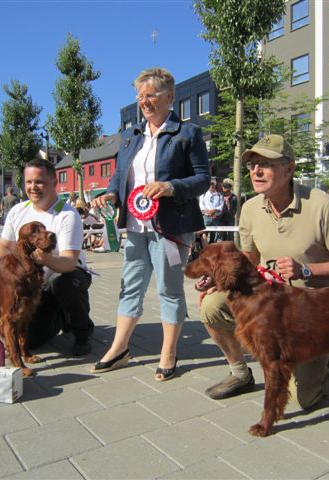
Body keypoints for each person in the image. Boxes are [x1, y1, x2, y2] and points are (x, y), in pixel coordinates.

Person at [199, 134, 329, 403]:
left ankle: (319, 357)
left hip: (310, 313)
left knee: (305, 401)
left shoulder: (320, 204)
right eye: (251, 165)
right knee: (211, 305)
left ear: (289, 169)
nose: (256, 171)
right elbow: (248, 257)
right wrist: (219, 277)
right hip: (268, 303)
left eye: (266, 164)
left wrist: (306, 270)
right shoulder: (249, 208)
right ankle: (240, 372)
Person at [91, 67, 210, 381]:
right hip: (134, 227)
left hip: (170, 227)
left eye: (151, 95)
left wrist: (171, 188)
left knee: (169, 290)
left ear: (169, 97)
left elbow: (202, 180)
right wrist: (111, 195)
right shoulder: (130, 136)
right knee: (130, 286)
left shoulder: (188, 133)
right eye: (140, 96)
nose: (144, 101)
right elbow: (120, 177)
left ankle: (168, 352)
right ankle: (119, 348)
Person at [0, 159, 94, 356]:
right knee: (29, 343)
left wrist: (45, 260)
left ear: (54, 182)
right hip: (32, 284)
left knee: (66, 282)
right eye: (28, 182)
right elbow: (4, 245)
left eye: (39, 182)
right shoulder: (17, 211)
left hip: (64, 275)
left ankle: (82, 332)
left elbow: (69, 262)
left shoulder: (67, 215)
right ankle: (61, 316)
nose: (33, 187)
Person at [199, 179, 223, 244]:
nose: (212, 185)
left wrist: (214, 210)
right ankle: (205, 248)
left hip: (215, 217)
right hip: (206, 216)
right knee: (204, 233)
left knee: (213, 234)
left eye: (213, 184)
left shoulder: (219, 195)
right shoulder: (203, 194)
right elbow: (201, 205)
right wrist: (207, 211)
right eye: (210, 184)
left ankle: (211, 247)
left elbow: (221, 205)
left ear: (215, 184)